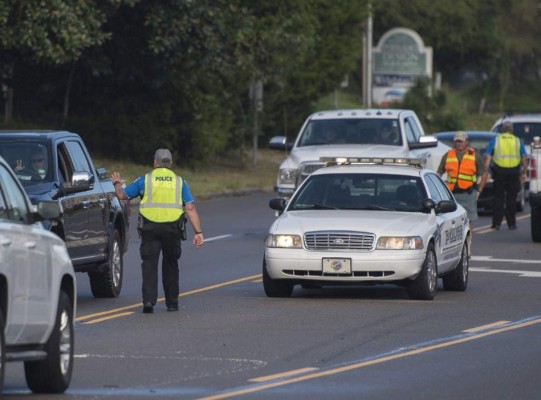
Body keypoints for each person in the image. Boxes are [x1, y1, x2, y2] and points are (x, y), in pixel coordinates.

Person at [111, 149, 204, 313]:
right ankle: (172, 303)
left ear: (155, 162)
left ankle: (148, 302)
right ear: (171, 163)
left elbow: (122, 195)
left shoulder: (145, 180)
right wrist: (198, 232)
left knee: (149, 264)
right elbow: (189, 207)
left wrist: (117, 182)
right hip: (173, 229)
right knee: (171, 264)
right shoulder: (179, 182)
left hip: (150, 228)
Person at [482, 120, 528, 230]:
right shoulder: (517, 141)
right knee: (512, 198)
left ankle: (496, 223)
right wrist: (524, 172)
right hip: (513, 171)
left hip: (499, 171)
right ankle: (511, 223)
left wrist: (485, 170)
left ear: (502, 130)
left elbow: (488, 157)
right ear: (512, 130)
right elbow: (524, 158)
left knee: (499, 197)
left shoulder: (496, 140)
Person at [437, 131, 486, 232]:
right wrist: (438, 190)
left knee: (468, 222)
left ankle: (467, 242)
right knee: (450, 221)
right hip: (451, 194)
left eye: (461, 141)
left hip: (468, 194)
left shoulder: (475, 156)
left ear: (466, 142)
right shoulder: (448, 155)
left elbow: (484, 174)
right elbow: (439, 173)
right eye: (457, 141)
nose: (459, 143)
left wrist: (479, 190)